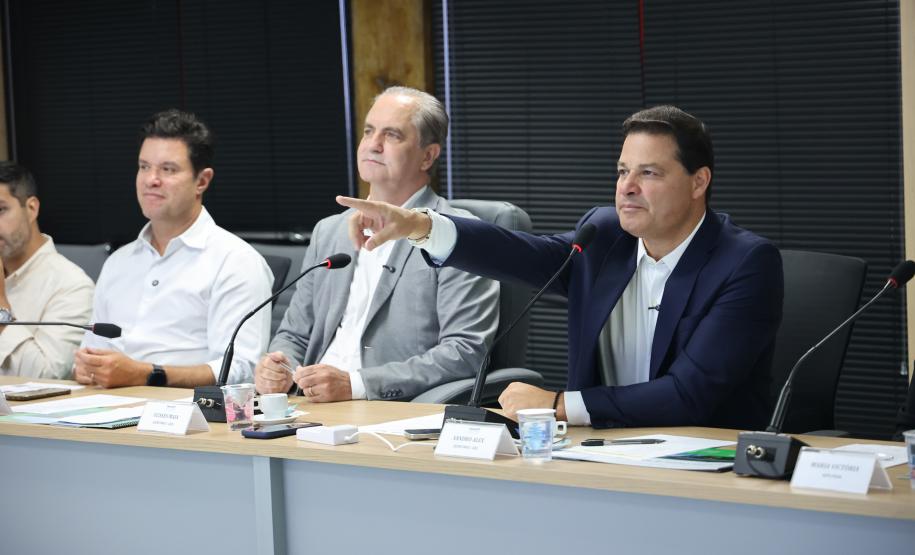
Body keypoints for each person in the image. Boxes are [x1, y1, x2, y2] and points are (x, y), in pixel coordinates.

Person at [337, 105, 784, 429]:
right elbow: (515, 252)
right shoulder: (606, 236)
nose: (626, 188)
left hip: (706, 457)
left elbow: (690, 395)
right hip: (599, 449)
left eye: (649, 174)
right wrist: (417, 223)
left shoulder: (744, 263)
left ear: (698, 182)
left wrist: (557, 404)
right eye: (622, 171)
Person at [254, 86, 498, 402]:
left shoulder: (456, 235)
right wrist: (277, 367)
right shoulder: (329, 231)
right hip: (307, 405)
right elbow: (293, 334)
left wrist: (356, 384)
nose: (373, 145)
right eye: (369, 131)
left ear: (428, 155)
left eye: (392, 135)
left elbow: (465, 351)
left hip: (387, 410)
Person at [73, 109, 273, 388]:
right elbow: (90, 353)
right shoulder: (118, 262)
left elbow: (240, 369)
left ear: (201, 181)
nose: (150, 179)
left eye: (167, 169)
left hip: (187, 419)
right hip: (104, 410)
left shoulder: (236, 261)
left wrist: (146, 374)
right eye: (144, 167)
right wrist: (86, 369)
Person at [0, 162, 94, 378]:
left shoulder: (72, 285)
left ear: (31, 208)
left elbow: (51, 377)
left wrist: (1, 308)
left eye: (0, 209)